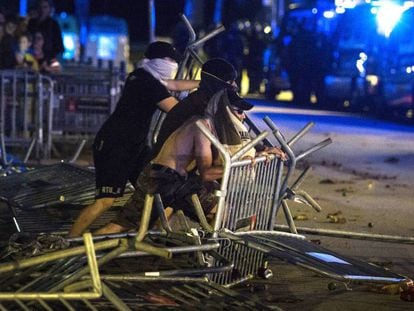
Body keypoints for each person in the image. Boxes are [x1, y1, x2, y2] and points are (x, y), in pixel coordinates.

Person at [95, 88, 286, 235]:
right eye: (238, 111)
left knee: (219, 210)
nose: (242, 117)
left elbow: (237, 149)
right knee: (120, 226)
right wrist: (249, 160)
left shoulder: (214, 127)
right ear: (224, 111)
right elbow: (207, 173)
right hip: (162, 179)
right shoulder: (202, 126)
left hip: (178, 181)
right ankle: (81, 252)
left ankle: (210, 255)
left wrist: (262, 152)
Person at [68, 41, 199, 237]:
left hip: (135, 147)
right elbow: (176, 110)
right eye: (169, 60)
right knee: (106, 200)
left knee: (157, 187)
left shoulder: (144, 74)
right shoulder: (148, 83)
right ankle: (68, 241)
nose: (173, 65)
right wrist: (202, 104)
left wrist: (203, 84)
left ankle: (145, 231)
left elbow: (173, 85)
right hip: (115, 146)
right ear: (156, 61)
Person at [27, 0, 64, 66]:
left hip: (49, 59)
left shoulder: (53, 24)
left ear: (49, 9)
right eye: (40, 7)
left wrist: (54, 61)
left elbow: (59, 46)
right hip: (32, 58)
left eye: (45, 7)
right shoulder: (31, 23)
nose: (42, 10)